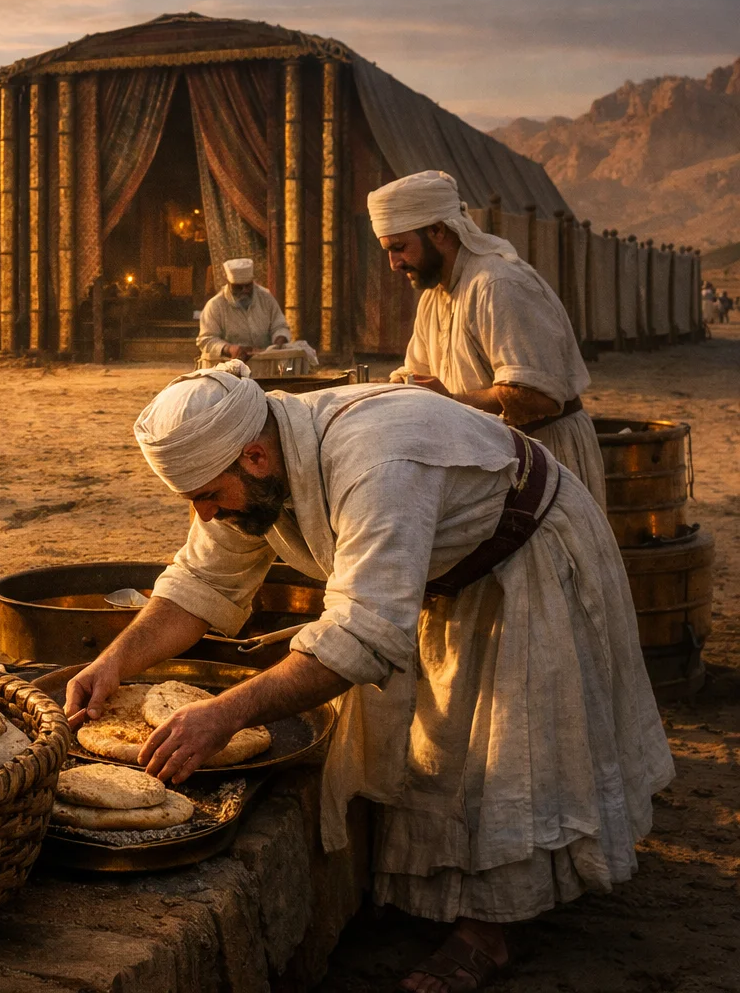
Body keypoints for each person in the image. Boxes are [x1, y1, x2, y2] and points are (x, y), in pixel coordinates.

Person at [65, 363, 672, 993]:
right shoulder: (248, 464)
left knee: (513, 750)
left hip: (527, 554)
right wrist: (113, 661)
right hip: (448, 570)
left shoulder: (377, 462)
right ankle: (446, 892)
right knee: (445, 741)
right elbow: (200, 584)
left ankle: (492, 933)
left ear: (254, 456)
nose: (206, 513)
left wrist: (226, 714)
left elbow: (363, 633)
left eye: (209, 495)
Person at [371, 171, 605, 507]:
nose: (393, 264)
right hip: (494, 460)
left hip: (547, 458)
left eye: (399, 247)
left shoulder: (498, 285)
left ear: (437, 230)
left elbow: (537, 396)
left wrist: (450, 400)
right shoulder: (434, 297)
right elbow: (417, 372)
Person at [196, 258, 291, 363]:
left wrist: (279, 341)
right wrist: (229, 348)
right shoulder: (215, 305)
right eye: (238, 287)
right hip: (228, 368)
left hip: (264, 362)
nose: (244, 291)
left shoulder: (266, 298)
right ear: (228, 283)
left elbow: (279, 325)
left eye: (248, 286)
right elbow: (206, 339)